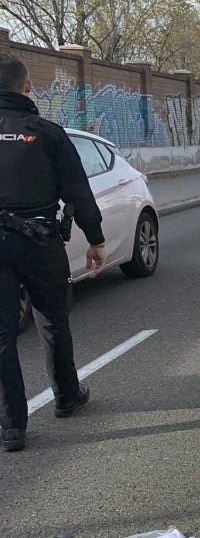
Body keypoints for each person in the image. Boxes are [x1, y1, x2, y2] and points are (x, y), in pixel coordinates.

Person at [0, 54, 104, 452]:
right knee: (53, 319)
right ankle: (65, 396)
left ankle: (12, 428)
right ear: (27, 87)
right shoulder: (48, 133)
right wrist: (95, 239)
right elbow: (78, 190)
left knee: (2, 334)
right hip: (40, 241)